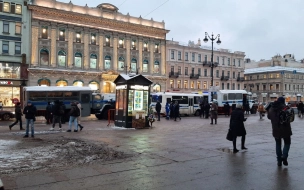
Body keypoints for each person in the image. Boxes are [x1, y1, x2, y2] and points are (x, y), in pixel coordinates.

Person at [267, 97, 292, 166]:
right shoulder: (285, 108)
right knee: (287, 143)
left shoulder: (271, 108)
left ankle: (279, 161)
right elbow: (290, 117)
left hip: (275, 129)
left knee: (278, 144)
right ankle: (284, 156)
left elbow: (269, 117)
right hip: (285, 128)